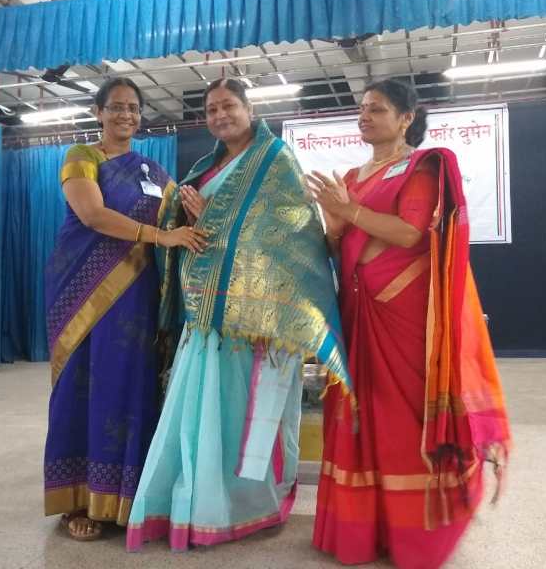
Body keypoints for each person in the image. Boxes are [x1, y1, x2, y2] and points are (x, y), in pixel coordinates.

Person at [126, 78, 349, 552]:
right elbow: (194, 231)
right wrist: (190, 220)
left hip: (255, 321)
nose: (220, 115)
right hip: (206, 317)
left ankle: (246, 504)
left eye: (228, 105)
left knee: (244, 414)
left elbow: (289, 237)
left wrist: (213, 218)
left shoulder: (276, 161)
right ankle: (198, 501)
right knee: (202, 413)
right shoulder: (206, 167)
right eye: (211, 110)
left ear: (250, 109)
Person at [306, 78, 511, 569]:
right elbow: (339, 245)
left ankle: (415, 533)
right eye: (361, 108)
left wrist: (348, 209)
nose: (364, 116)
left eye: (377, 109)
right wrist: (333, 225)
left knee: (403, 417)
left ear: (406, 118)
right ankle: (364, 528)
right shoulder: (351, 175)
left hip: (402, 312)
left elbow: (409, 232)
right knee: (361, 413)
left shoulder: (422, 166)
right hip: (357, 309)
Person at [43, 77, 205, 541]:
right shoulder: (82, 157)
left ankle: (128, 497)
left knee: (131, 386)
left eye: (133, 108)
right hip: (84, 290)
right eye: (116, 107)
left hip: (138, 295)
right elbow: (92, 215)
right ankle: (79, 500)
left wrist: (200, 213)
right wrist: (161, 235)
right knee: (85, 385)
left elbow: (182, 214)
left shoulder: (153, 170)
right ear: (98, 113)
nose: (126, 115)